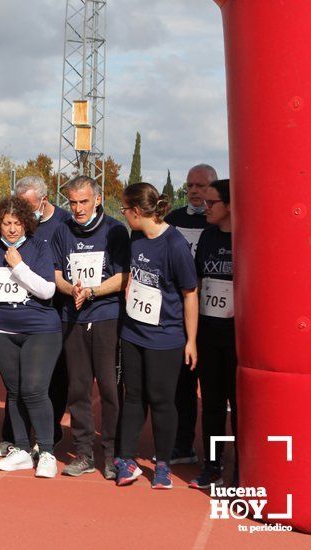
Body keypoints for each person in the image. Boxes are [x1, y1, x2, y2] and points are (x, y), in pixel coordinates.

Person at [115, 182, 198, 489]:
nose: (123, 214)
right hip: (133, 333)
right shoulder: (136, 237)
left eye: (125, 209)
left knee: (162, 400)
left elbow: (190, 293)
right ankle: (125, 459)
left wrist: (191, 340)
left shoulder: (175, 244)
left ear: (137, 211)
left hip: (166, 337)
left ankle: (162, 465)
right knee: (134, 397)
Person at [0, 196, 61, 477]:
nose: (12, 229)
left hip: (40, 330)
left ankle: (46, 451)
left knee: (34, 389)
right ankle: (22, 449)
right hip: (2, 331)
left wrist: (19, 266)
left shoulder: (39, 249)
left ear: (26, 223)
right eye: (6, 223)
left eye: (17, 223)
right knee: (14, 391)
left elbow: (48, 291)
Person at [51, 176, 128, 480]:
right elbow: (56, 274)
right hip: (73, 318)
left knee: (110, 388)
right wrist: (71, 289)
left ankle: (111, 453)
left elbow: (124, 277)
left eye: (83, 201)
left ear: (97, 200)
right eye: (72, 202)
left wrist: (93, 291)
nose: (78, 208)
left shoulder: (115, 230)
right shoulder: (62, 231)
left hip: (107, 316)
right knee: (78, 389)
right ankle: (84, 452)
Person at [0, 175, 69, 458]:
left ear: (44, 201)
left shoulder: (62, 223)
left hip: (55, 310)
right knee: (16, 384)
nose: (19, 215)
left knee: (49, 380)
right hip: (18, 313)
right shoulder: (11, 232)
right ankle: (16, 438)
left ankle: (49, 437)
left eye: (26, 208)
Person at [164, 163, 217, 465]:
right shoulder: (173, 220)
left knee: (213, 391)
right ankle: (183, 444)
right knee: (182, 386)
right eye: (190, 186)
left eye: (201, 186)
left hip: (215, 317)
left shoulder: (221, 222)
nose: (195, 191)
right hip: (180, 314)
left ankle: (218, 454)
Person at [190, 179, 237, 489]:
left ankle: (246, 467)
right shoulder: (207, 237)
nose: (204, 207)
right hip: (209, 332)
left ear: (231, 206)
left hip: (239, 338)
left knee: (242, 406)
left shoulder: (249, 237)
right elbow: (196, 281)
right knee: (213, 403)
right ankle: (212, 464)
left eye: (211, 203)